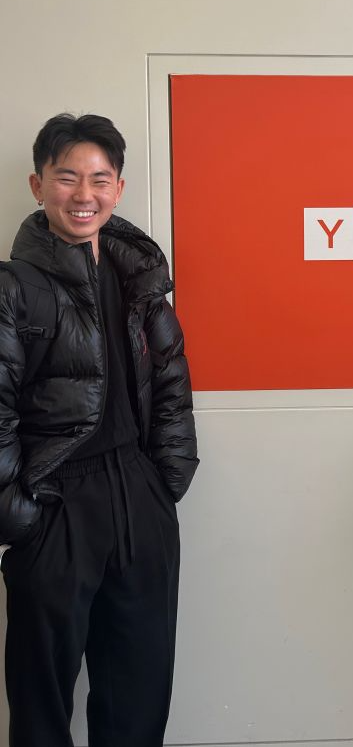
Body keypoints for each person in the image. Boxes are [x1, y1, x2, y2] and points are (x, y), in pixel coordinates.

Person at [0, 113, 199, 746]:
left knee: (139, 689)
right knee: (42, 699)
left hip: (138, 494)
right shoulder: (12, 289)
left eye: (99, 179)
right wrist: (20, 520)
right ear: (38, 186)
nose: (83, 194)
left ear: (118, 188)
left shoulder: (140, 280)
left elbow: (171, 384)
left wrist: (165, 484)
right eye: (66, 178)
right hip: (55, 502)